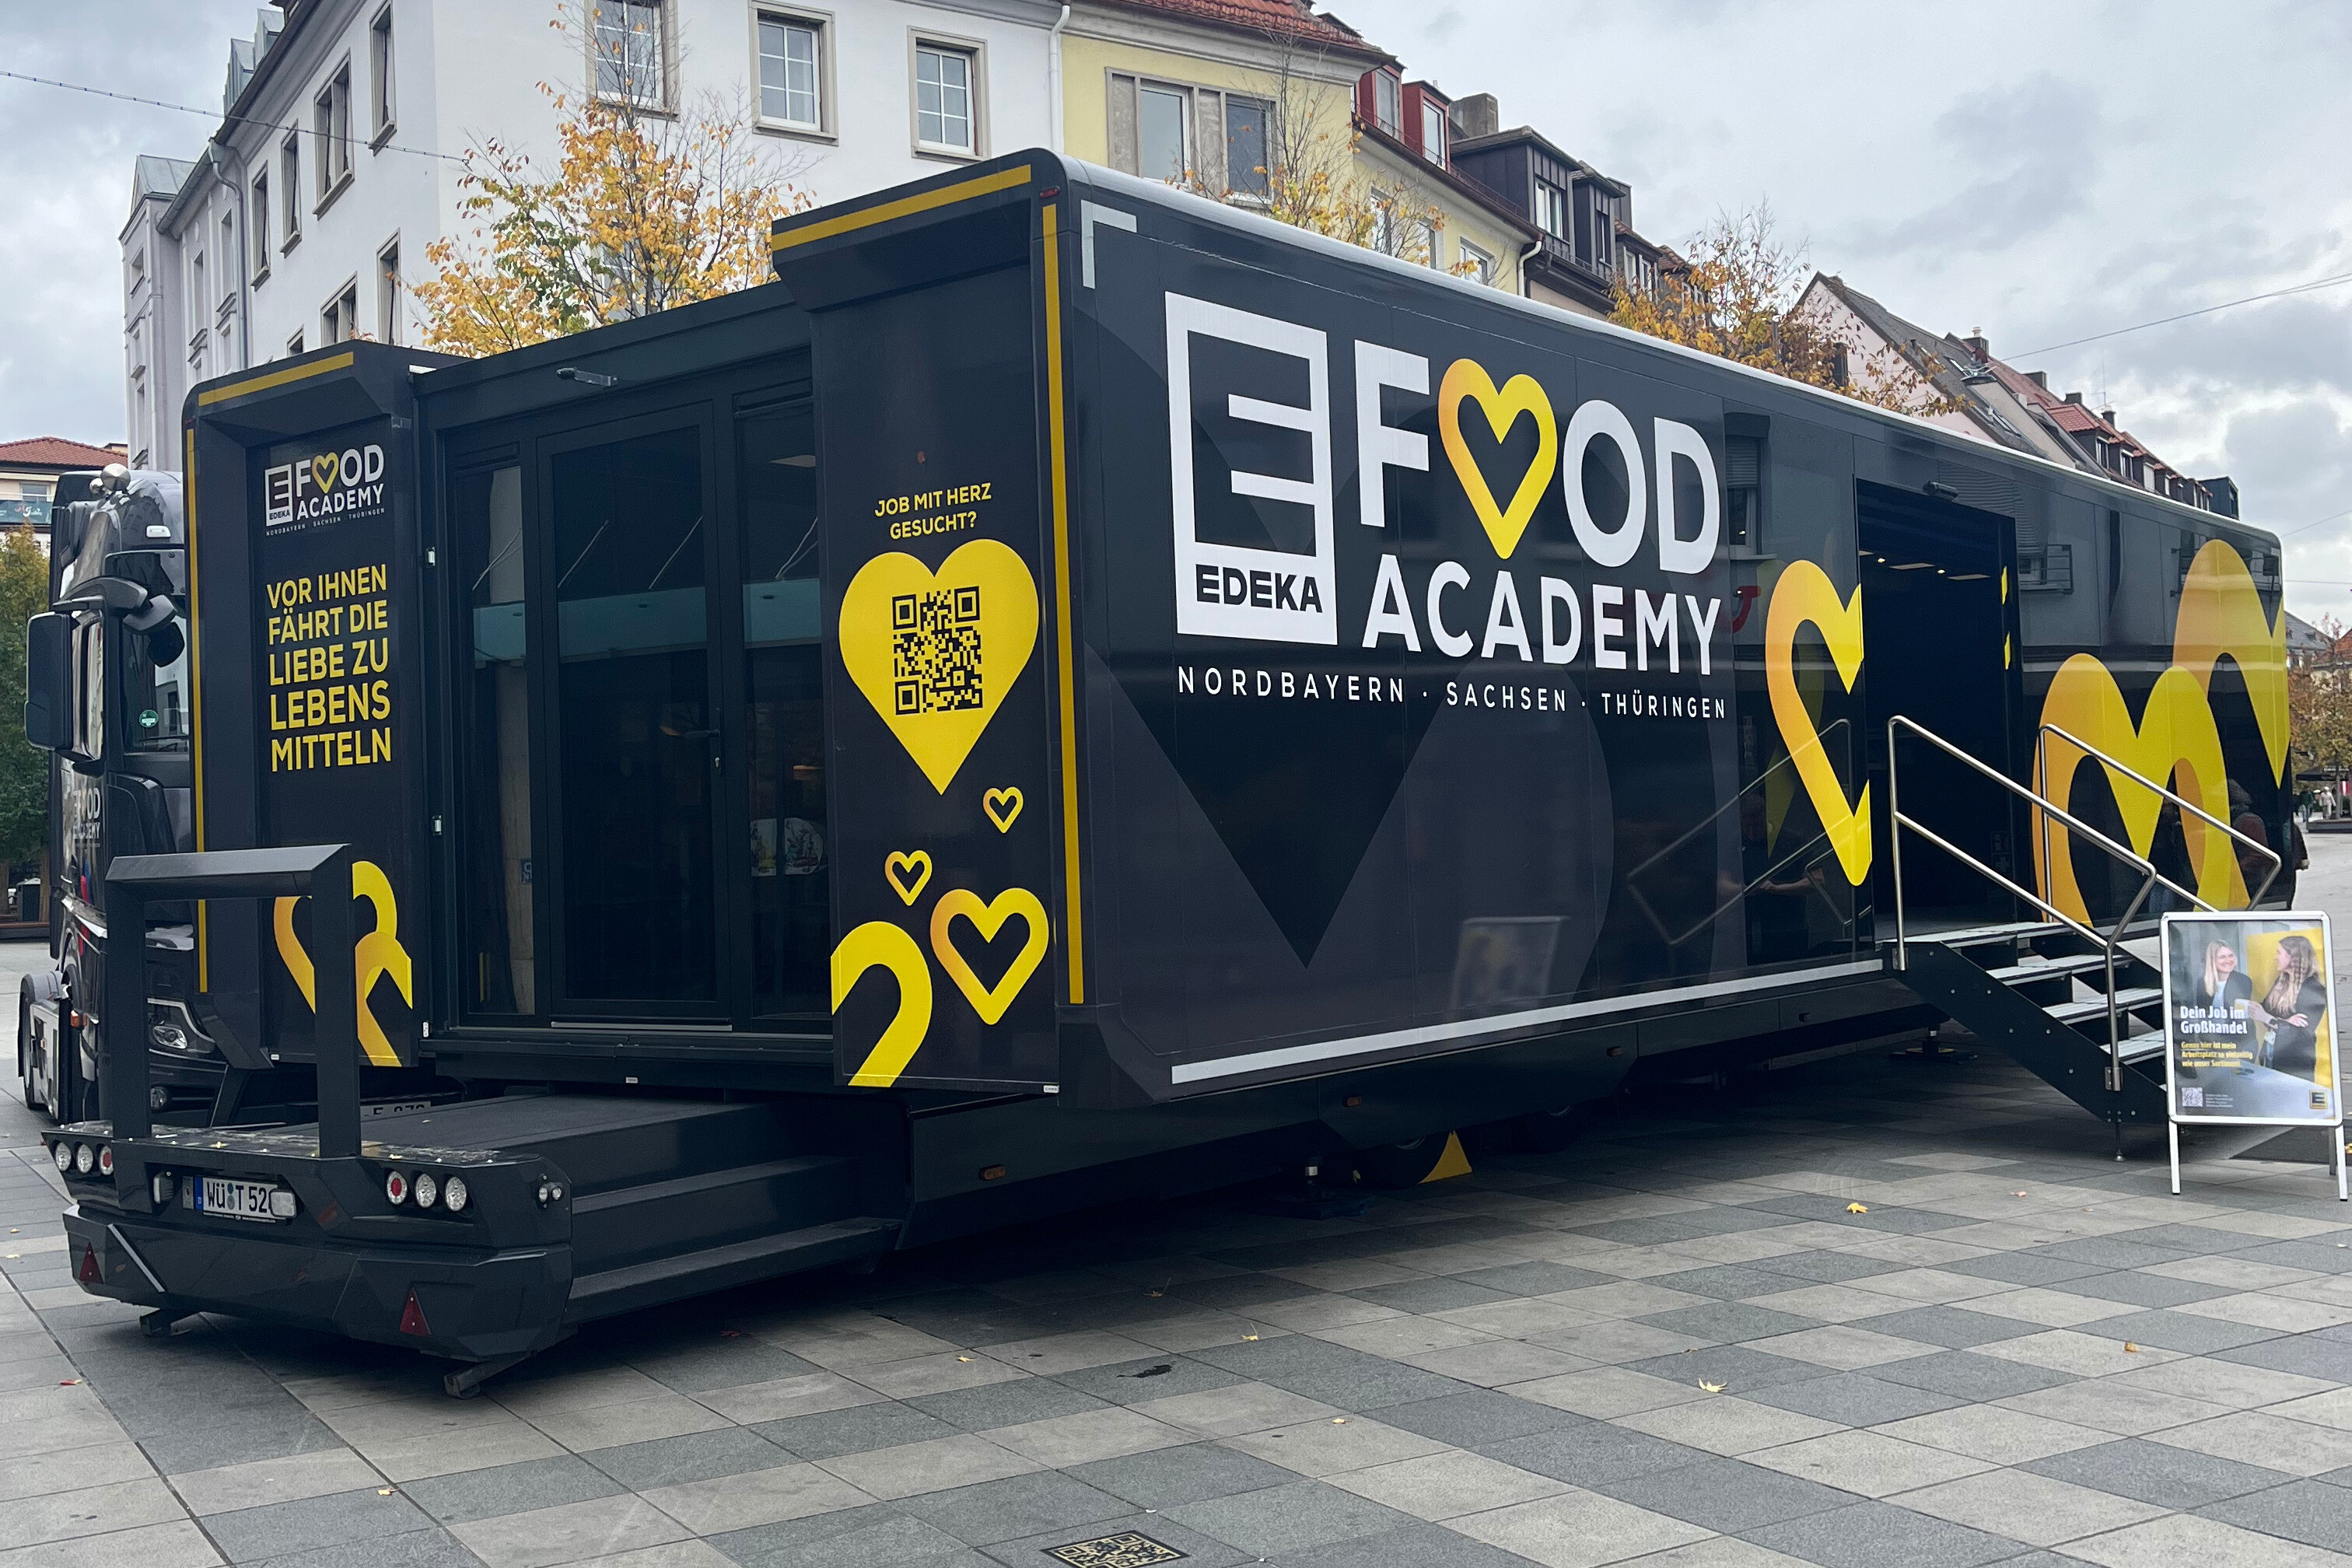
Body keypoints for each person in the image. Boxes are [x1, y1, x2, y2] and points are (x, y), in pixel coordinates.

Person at [2259, 933, 2328, 1078]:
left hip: (2295, 1064)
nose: (2276, 957)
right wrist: (2284, 1021)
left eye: (2279, 953)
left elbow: (2301, 1031)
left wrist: (2271, 1019)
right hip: (2271, 1054)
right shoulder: (2281, 982)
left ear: (2293, 957)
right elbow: (2264, 1009)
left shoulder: (2313, 989)